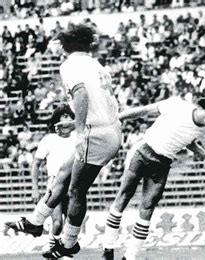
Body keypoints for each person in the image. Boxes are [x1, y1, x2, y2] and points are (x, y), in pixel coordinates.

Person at [6, 24, 122, 258]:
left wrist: (79, 132)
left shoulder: (70, 65)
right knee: (62, 173)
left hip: (95, 133)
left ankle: (68, 244)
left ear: (66, 46)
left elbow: (80, 94)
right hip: (108, 129)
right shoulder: (96, 65)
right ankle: (36, 221)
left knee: (76, 189)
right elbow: (103, 102)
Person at [102, 94, 205, 260]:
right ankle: (108, 248)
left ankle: (130, 256)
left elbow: (189, 140)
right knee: (124, 195)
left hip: (162, 164)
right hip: (144, 151)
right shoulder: (177, 105)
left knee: (147, 208)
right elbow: (145, 110)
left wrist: (204, 153)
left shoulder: (203, 130)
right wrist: (118, 118)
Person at [31, 105, 76, 254]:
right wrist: (35, 188)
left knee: (71, 222)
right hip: (55, 183)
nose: (67, 120)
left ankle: (64, 252)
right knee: (57, 222)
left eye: (69, 116)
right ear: (57, 121)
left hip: (73, 182)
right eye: (63, 117)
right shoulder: (49, 139)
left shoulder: (77, 139)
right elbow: (36, 164)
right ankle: (53, 249)